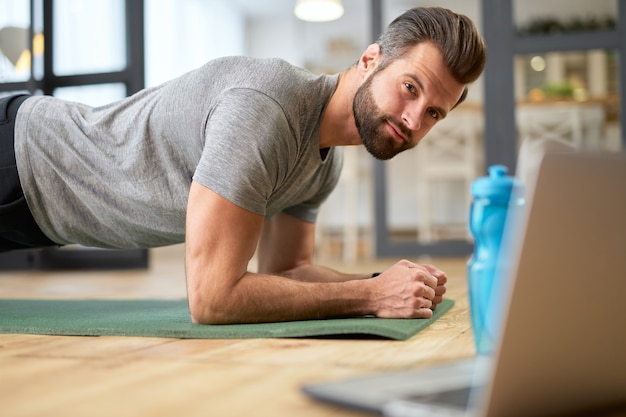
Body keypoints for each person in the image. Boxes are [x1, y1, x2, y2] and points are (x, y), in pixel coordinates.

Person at [0, 7, 486, 324]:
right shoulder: (266, 109)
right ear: (369, 59)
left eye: (434, 114)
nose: (413, 119)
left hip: (38, 216)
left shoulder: (325, 164)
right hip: (19, 152)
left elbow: (289, 271)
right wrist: (369, 298)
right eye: (410, 87)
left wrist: (384, 284)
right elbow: (213, 299)